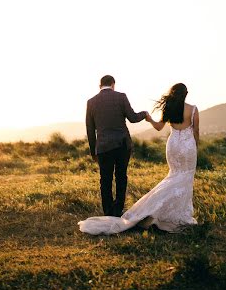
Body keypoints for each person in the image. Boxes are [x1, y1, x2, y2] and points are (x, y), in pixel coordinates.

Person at [78, 82, 199, 235]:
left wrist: (93, 150)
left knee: (172, 176)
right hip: (181, 146)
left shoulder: (168, 107)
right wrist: (195, 147)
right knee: (182, 178)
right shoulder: (193, 109)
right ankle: (171, 213)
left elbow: (158, 127)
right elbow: (196, 132)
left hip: (169, 145)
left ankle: (116, 210)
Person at [85, 75, 147, 217]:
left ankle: (108, 211)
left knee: (105, 179)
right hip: (122, 145)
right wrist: (144, 114)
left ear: (99, 85)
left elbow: (90, 129)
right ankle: (118, 210)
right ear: (113, 84)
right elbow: (133, 118)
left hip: (103, 147)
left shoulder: (91, 102)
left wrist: (93, 151)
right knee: (121, 176)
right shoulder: (121, 97)